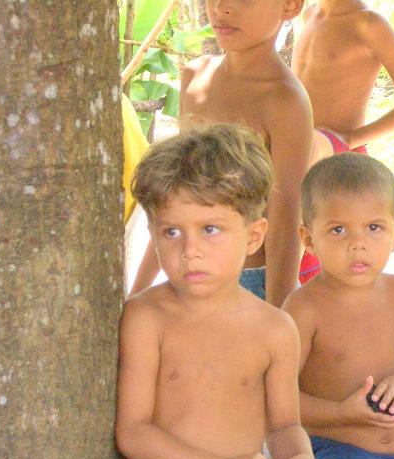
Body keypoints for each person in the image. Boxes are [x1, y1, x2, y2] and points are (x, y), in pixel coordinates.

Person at [116, 124, 316, 459]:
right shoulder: (146, 318)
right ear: (153, 236)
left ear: (253, 236)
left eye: (209, 229)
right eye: (171, 231)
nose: (190, 250)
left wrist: (300, 456)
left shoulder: (275, 329)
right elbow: (132, 432)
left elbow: (285, 425)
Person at [130, 0, 314, 305]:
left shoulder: (285, 100)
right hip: (186, 278)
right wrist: (137, 292)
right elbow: (174, 198)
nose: (222, 7)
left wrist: (279, 315)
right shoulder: (195, 77)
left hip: (251, 289)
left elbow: (285, 223)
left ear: (290, 5)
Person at [283, 153, 394, 459]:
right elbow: (277, 399)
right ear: (308, 239)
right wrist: (340, 413)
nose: (358, 244)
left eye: (374, 228)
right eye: (338, 230)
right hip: (335, 456)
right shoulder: (305, 307)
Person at [292, 0, 394, 160]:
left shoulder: (369, 24)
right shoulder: (309, 14)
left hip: (337, 158)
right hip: (296, 146)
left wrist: (349, 139)